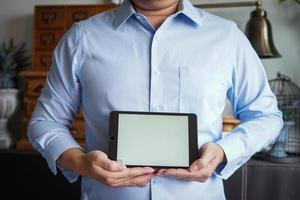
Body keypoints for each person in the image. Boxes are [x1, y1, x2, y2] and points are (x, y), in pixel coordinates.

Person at [28, 0, 283, 199]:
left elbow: (267, 116)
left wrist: (224, 151)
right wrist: (81, 163)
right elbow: (45, 122)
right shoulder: (82, 38)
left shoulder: (227, 37)